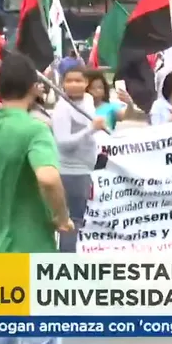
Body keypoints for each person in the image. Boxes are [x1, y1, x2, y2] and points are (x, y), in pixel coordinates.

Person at [0, 51, 72, 344]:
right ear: (34, 87)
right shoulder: (35, 129)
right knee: (39, 338)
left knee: (10, 334)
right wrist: (61, 217)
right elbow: (48, 178)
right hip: (31, 254)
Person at [52, 65, 104, 253]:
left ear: (86, 83)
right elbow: (64, 142)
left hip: (85, 169)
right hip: (70, 172)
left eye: (79, 81)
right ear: (63, 83)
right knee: (71, 222)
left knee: (79, 220)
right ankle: (66, 264)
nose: (74, 85)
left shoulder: (88, 100)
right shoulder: (62, 108)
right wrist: (91, 128)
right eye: (69, 81)